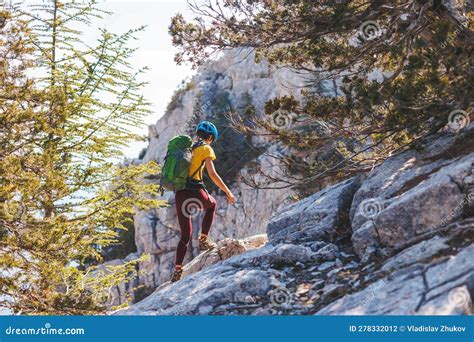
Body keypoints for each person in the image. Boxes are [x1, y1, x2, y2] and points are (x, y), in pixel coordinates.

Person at [171, 121, 235, 282]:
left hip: (179, 193)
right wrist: (227, 192)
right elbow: (212, 174)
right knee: (212, 204)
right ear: (211, 137)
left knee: (185, 234)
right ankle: (204, 239)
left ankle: (177, 270)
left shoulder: (187, 149)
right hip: (194, 189)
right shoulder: (206, 148)